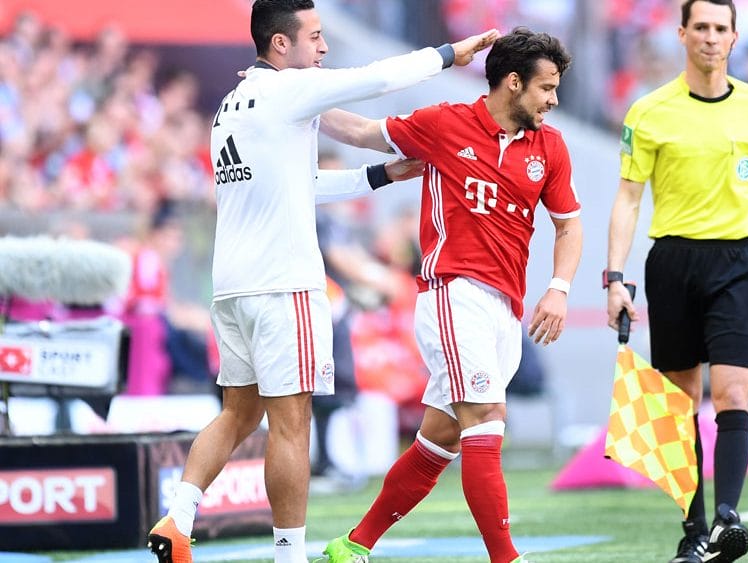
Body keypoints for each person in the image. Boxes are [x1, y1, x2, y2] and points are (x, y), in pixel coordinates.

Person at [145, 1, 498, 561]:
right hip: (285, 285)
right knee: (292, 425)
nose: (324, 47)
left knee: (238, 413)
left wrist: (381, 175)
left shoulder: (232, 104)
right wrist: (452, 53)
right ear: (280, 45)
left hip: (234, 286)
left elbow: (299, 186)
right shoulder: (289, 91)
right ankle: (290, 556)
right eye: (314, 36)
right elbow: (376, 79)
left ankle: (178, 516)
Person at [319, 27, 582, 563]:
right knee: (486, 419)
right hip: (452, 293)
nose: (554, 101)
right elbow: (366, 132)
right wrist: (295, 97)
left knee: (440, 438)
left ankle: (352, 546)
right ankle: (507, 558)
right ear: (513, 83)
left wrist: (558, 289)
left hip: (504, 309)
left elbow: (569, 225)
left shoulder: (549, 147)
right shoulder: (443, 124)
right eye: (547, 88)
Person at [604, 1, 748, 562]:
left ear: (735, 38)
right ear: (682, 34)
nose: (710, 38)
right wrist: (615, 278)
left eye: (720, 29)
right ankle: (693, 532)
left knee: (732, 392)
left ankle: (728, 516)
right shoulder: (650, 111)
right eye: (700, 28)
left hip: (738, 261)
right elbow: (629, 199)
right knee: (680, 404)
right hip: (674, 262)